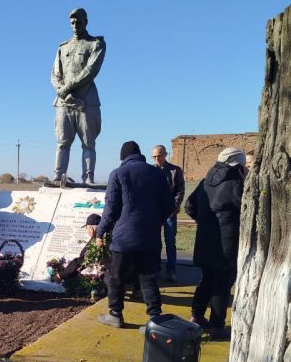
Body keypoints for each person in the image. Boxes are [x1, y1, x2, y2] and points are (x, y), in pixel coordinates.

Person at [95, 141, 175, 328]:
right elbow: (170, 206)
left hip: (124, 238)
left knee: (117, 277)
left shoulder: (118, 174)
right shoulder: (158, 174)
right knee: (149, 277)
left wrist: (101, 231)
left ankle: (116, 314)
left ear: (123, 157)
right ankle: (155, 318)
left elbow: (111, 209)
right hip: (150, 237)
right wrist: (155, 220)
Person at [185, 147, 246, 340]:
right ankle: (217, 326)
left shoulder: (205, 183)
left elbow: (189, 206)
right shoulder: (236, 183)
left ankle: (196, 316)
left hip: (204, 240)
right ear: (238, 166)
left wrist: (203, 221)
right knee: (222, 284)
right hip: (226, 243)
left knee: (206, 280)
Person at [51, 7, 106, 185]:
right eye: (72, 22)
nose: (75, 25)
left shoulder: (95, 44)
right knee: (62, 143)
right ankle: (58, 176)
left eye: (79, 22)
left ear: (86, 22)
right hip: (63, 103)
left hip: (86, 101)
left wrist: (67, 87)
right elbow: (54, 75)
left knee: (88, 143)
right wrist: (62, 91)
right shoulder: (63, 47)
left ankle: (88, 179)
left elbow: (90, 71)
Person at [151, 144, 185, 282]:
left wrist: (175, 207)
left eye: (159, 155)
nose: (157, 158)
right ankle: (156, 268)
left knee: (170, 242)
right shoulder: (150, 171)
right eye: (154, 156)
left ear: (165, 154)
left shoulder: (175, 170)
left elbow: (180, 190)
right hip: (154, 213)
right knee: (155, 242)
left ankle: (171, 269)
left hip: (170, 212)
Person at [57, 214, 101, 279]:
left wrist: (61, 275)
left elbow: (82, 260)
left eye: (87, 228)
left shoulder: (96, 240)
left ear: (91, 229)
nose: (87, 231)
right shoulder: (108, 235)